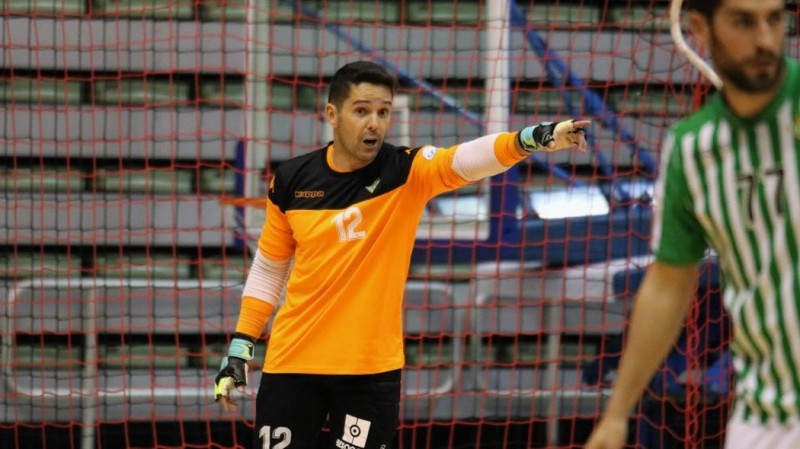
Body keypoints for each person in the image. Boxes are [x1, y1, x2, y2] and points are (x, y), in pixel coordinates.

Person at [212, 60, 589, 449]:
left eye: (383, 112)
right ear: (332, 114)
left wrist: (531, 138)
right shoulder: (291, 179)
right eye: (361, 111)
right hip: (292, 364)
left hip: (370, 371)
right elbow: (269, 269)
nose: (374, 122)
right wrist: (240, 347)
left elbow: (466, 158)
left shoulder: (406, 171)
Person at [586, 0, 800, 448]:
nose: (765, 40)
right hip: (765, 414)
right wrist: (617, 412)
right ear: (700, 29)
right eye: (744, 21)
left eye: (775, 20)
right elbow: (668, 283)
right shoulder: (693, 150)